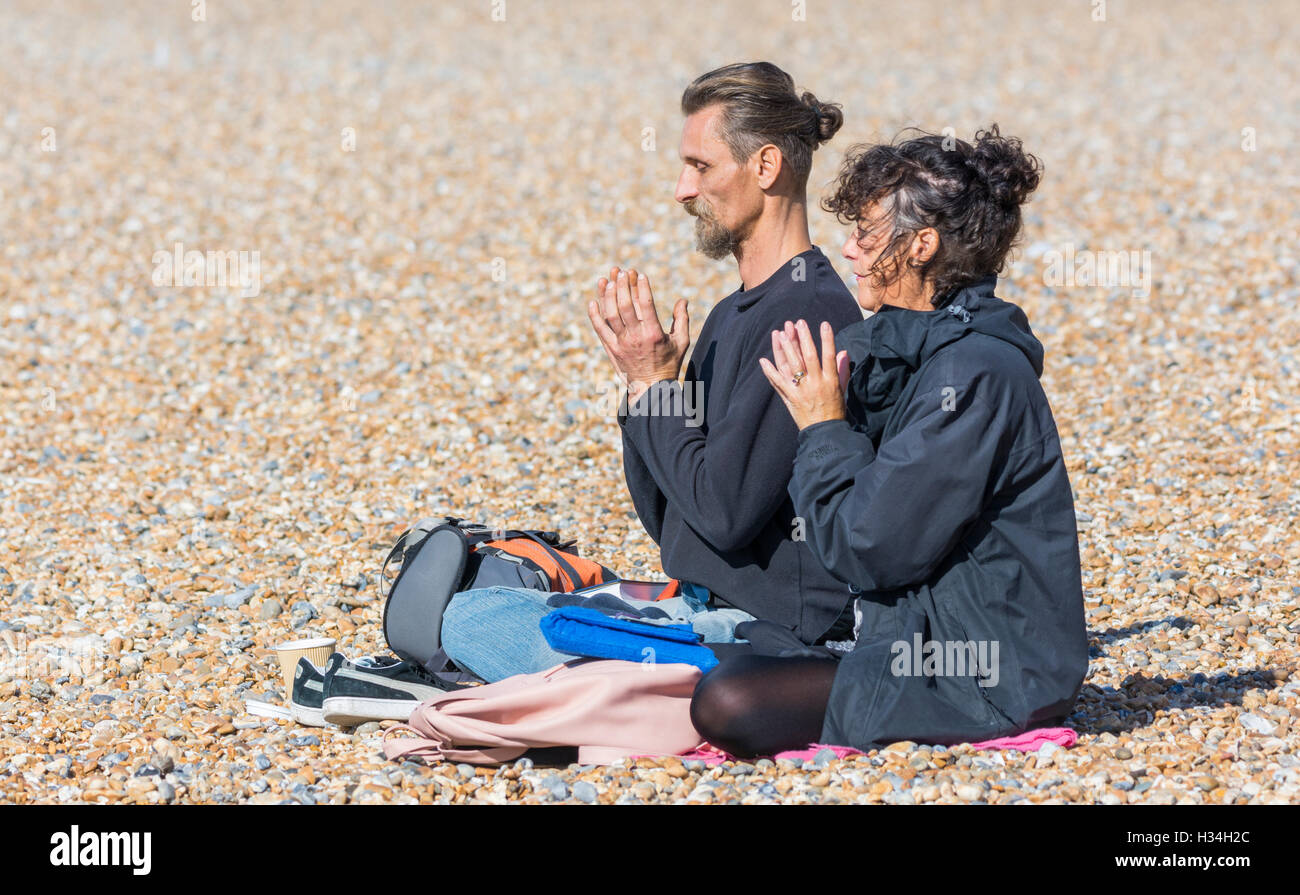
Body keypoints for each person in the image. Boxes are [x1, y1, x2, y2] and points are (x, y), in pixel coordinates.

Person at [438, 62, 865, 683]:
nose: (682, 190)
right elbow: (672, 521)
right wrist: (645, 388)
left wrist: (658, 389)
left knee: (471, 620)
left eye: (701, 166)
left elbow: (725, 514)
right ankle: (600, 678)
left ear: (766, 166)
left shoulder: (805, 313)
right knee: (476, 605)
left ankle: (614, 687)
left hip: (761, 632)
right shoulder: (733, 312)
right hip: (695, 603)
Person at [689, 126, 1089, 756]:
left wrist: (823, 423)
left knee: (728, 700)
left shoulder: (975, 374)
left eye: (866, 235)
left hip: (988, 675)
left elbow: (869, 546)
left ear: (921, 246)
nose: (846, 251)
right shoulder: (905, 349)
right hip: (908, 635)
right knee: (698, 658)